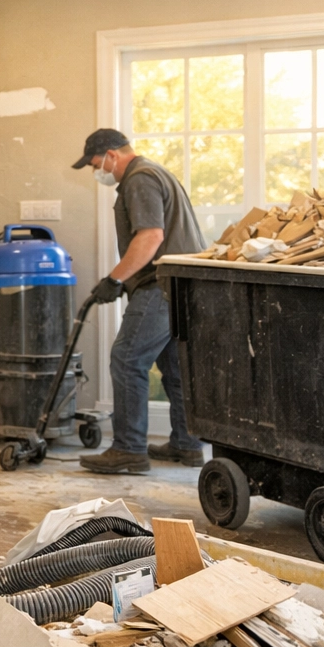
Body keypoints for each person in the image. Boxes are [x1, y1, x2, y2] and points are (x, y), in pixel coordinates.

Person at [73, 128, 206, 473]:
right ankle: (187, 444)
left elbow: (150, 237)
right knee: (176, 367)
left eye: (94, 164)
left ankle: (129, 450)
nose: (95, 172)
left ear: (111, 155)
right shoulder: (156, 172)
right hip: (183, 285)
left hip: (160, 284)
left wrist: (114, 278)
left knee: (127, 358)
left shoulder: (139, 179)